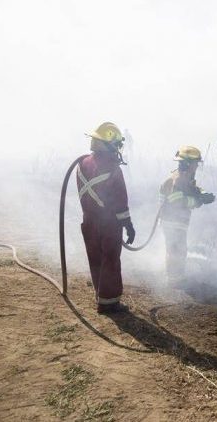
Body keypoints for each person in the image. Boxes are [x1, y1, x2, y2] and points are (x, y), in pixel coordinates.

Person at [77, 122, 136, 313]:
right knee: (110, 261)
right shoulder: (112, 168)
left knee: (95, 259)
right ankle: (109, 304)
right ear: (108, 144)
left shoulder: (82, 163)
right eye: (117, 145)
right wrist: (128, 224)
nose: (118, 149)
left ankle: (100, 295)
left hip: (88, 222)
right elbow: (120, 200)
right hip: (108, 223)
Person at [159, 146, 216, 285]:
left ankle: (175, 276)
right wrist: (198, 201)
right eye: (196, 163)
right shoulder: (178, 179)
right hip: (172, 221)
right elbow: (177, 201)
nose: (197, 166)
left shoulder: (185, 176)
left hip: (178, 221)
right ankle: (174, 280)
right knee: (175, 250)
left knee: (179, 249)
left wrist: (203, 194)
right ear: (188, 164)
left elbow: (192, 189)